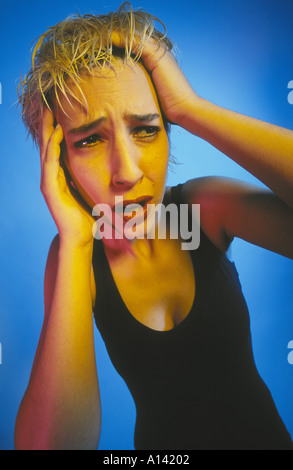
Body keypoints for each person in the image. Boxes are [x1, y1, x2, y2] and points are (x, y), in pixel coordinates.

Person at [14, 2, 293, 450]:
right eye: (88, 140)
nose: (126, 171)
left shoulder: (204, 207)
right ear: (60, 165)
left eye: (146, 129)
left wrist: (191, 108)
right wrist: (75, 240)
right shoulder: (75, 257)